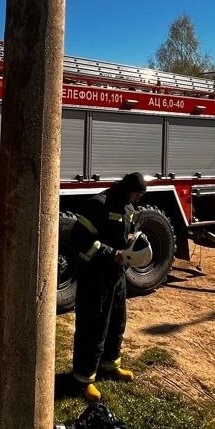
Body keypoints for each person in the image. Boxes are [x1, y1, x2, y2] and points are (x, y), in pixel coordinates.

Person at [70, 172, 146, 402]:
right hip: (95, 275)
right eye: (136, 194)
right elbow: (79, 237)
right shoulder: (98, 204)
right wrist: (110, 254)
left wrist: (132, 241)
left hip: (117, 275)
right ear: (127, 189)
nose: (138, 200)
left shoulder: (128, 207)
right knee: (93, 326)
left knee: (116, 321)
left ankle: (110, 365)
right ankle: (84, 379)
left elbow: (125, 232)